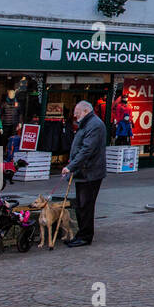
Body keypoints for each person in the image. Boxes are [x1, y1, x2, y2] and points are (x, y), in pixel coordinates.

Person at [61, 100, 107, 248]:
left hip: (90, 172)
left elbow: (87, 149)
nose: (75, 115)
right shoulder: (88, 123)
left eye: (77, 112)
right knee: (81, 205)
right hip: (84, 171)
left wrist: (71, 166)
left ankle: (85, 236)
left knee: (86, 205)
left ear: (86, 111)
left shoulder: (95, 125)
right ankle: (82, 234)